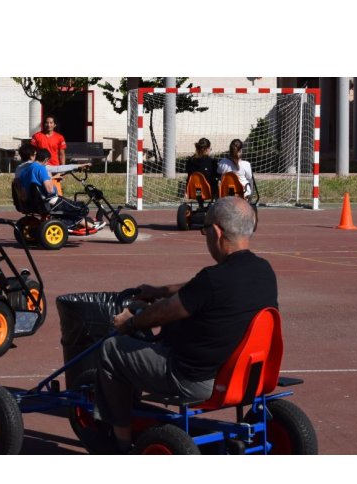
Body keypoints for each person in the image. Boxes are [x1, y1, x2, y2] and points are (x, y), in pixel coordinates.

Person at [94, 196, 278, 453]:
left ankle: (120, 444)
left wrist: (131, 321)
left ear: (216, 232)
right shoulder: (263, 271)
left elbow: (164, 312)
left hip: (195, 379)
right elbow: (196, 290)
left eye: (205, 230)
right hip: (245, 376)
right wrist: (159, 291)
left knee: (111, 349)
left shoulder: (213, 280)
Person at [14, 146, 104, 235]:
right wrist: (52, 184)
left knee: (69, 209)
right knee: (83, 208)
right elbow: (50, 189)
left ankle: (88, 225)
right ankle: (67, 225)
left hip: (32, 202)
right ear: (45, 159)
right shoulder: (41, 168)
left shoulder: (22, 170)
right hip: (48, 201)